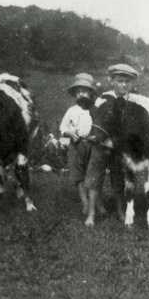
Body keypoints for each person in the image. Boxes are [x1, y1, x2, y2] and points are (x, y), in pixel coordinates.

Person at [83, 64, 139, 226]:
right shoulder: (103, 99)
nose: (123, 85)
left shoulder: (135, 101)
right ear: (111, 81)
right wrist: (101, 139)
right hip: (101, 145)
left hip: (120, 148)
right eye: (120, 81)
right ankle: (91, 214)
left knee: (119, 180)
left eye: (127, 81)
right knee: (95, 178)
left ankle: (121, 211)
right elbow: (96, 122)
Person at [60, 74, 97, 215]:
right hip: (76, 145)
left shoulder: (94, 109)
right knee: (78, 175)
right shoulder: (71, 111)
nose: (81, 94)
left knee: (92, 174)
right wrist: (69, 133)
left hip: (92, 144)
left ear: (91, 93)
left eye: (85, 91)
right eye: (78, 91)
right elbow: (63, 127)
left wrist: (96, 136)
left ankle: (96, 202)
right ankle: (85, 202)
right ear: (75, 94)